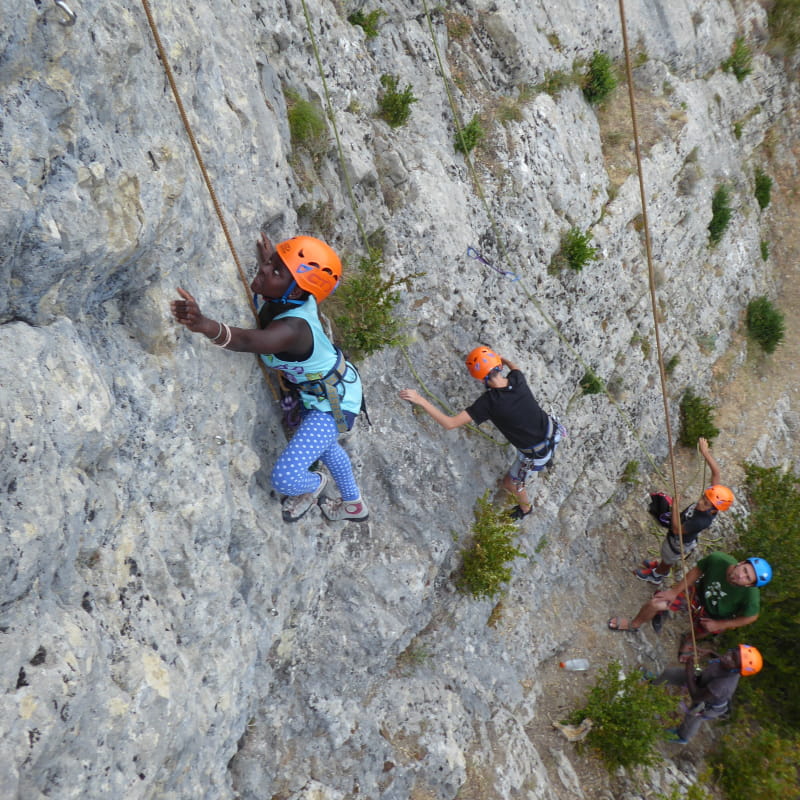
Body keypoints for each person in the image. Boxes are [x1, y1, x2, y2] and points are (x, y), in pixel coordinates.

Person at [170, 233, 368, 523]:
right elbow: (283, 282)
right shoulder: (290, 296)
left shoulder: (293, 328)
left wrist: (203, 324)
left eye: (275, 271)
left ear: (297, 293)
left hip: (333, 401)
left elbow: (248, 341)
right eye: (271, 263)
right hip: (328, 388)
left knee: (286, 477)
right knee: (326, 447)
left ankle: (315, 486)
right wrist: (271, 262)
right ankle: (355, 505)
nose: (264, 270)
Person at [399, 347, 565, 520]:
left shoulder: (489, 403)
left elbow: (450, 423)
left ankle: (526, 509)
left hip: (535, 453)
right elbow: (515, 367)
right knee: (536, 443)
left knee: (509, 484)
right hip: (552, 431)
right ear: (499, 366)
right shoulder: (517, 380)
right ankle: (548, 456)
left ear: (479, 377)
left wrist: (421, 400)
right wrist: (501, 359)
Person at [608, 551, 772, 656]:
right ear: (742, 563)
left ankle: (687, 640)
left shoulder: (751, 596)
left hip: (714, 615)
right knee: (657, 602)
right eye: (745, 570)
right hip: (696, 595)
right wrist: (674, 592)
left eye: (748, 578)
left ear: (750, 585)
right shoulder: (718, 560)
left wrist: (720, 624)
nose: (741, 576)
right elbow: (696, 571)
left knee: (702, 630)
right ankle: (634, 624)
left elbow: (750, 617)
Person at [636, 437, 733, 586]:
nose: (700, 502)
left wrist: (674, 507)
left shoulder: (700, 521)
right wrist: (705, 452)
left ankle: (657, 575)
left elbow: (676, 529)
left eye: (705, 503)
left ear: (713, 510)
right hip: (680, 535)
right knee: (666, 555)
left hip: (679, 541)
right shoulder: (713, 502)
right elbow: (716, 474)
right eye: (703, 497)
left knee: (668, 556)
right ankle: (661, 568)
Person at [656, 643, 763, 743]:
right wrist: (710, 652)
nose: (728, 657)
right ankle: (654, 683)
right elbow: (724, 658)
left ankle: (681, 737)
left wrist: (689, 671)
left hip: (707, 704)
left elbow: (696, 697)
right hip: (701, 681)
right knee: (670, 673)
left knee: (693, 717)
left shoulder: (724, 684)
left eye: (733, 660)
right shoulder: (727, 663)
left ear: (737, 670)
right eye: (732, 652)